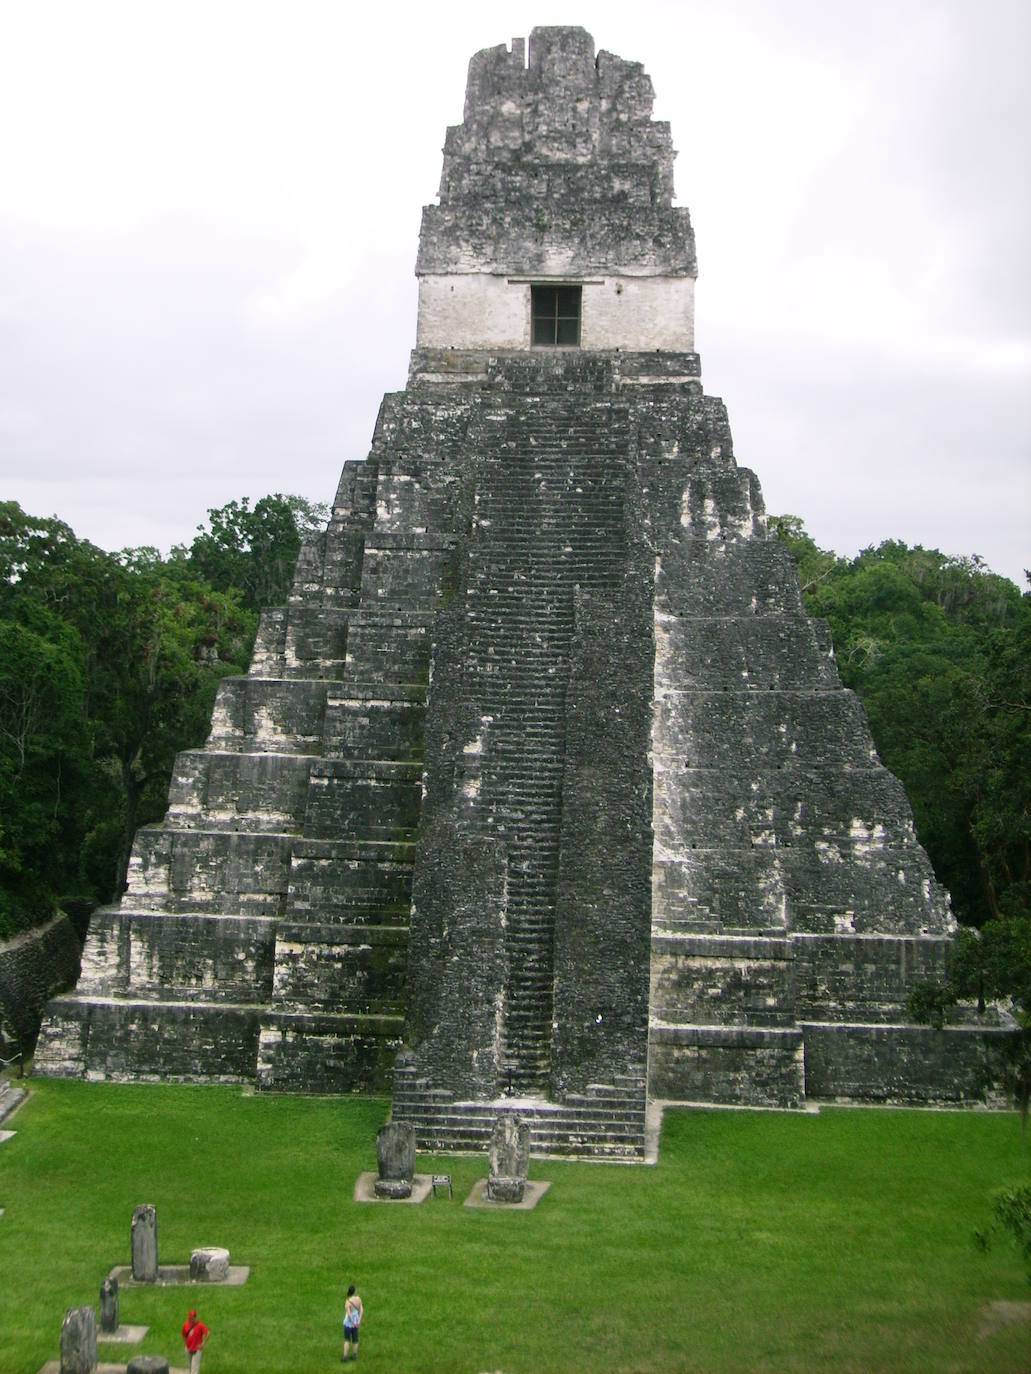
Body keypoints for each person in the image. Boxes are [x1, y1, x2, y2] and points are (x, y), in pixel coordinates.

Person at [182, 1307, 210, 1374]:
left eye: (191, 1318)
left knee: (194, 1369)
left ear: (195, 1317)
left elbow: (208, 1333)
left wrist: (202, 1344)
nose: (189, 1319)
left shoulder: (200, 1325)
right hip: (188, 1349)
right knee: (190, 1367)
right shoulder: (185, 1324)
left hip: (196, 1350)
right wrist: (186, 1344)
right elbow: (184, 1335)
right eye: (189, 1317)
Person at [342, 1284, 363, 1362]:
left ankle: (345, 1356)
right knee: (355, 1340)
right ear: (354, 1291)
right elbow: (361, 1310)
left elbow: (349, 1314)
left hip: (348, 1323)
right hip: (356, 1322)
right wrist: (358, 1321)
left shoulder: (348, 1302)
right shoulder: (358, 1299)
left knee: (347, 1340)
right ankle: (354, 1355)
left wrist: (353, 1323)